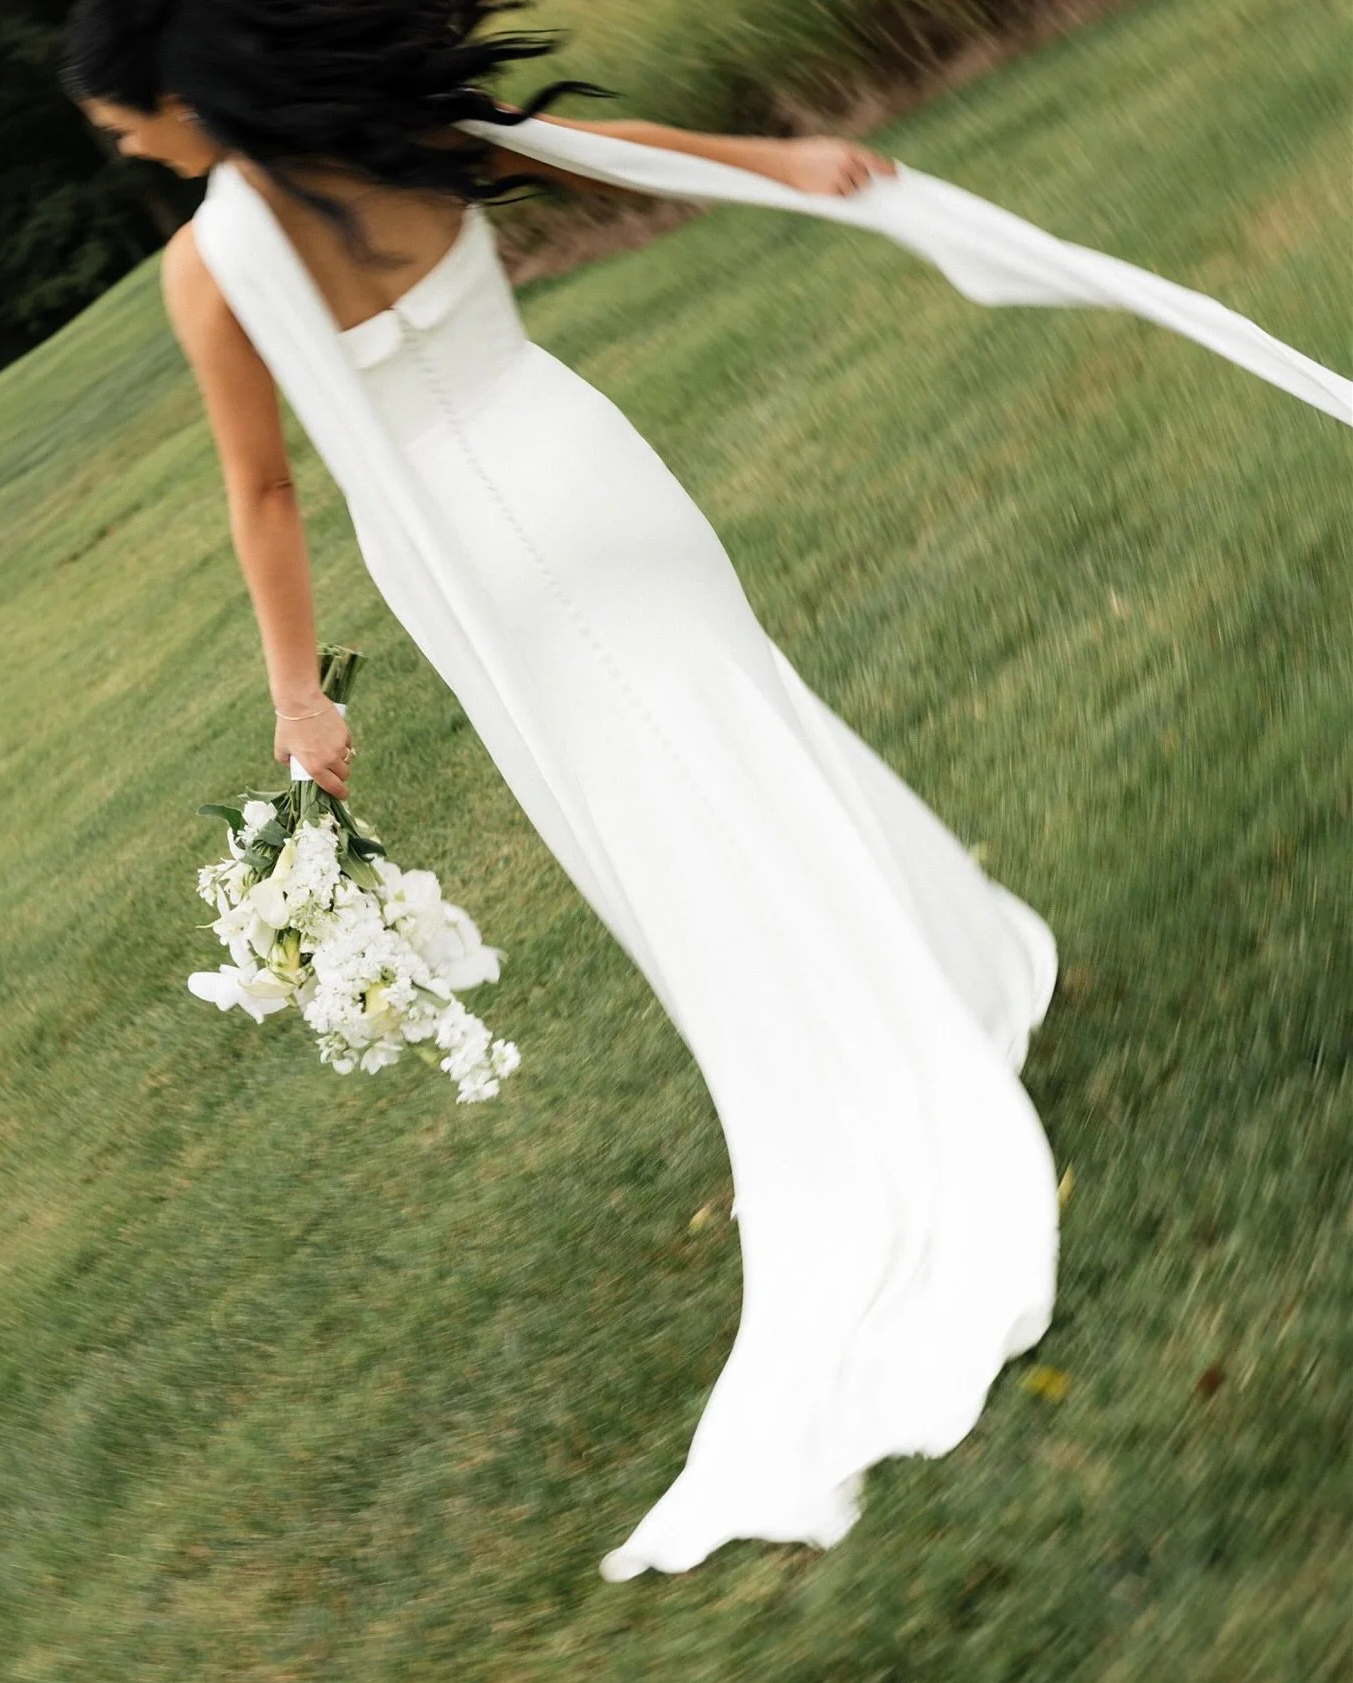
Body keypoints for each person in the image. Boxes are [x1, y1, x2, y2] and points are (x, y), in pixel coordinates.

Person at [62, 0, 1063, 1580]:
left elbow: (262, 490)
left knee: (678, 846)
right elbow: (621, 145)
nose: (127, 148)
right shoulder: (402, 127)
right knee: (756, 744)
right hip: (592, 466)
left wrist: (297, 693)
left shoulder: (213, 263)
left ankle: (864, 1096)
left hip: (493, 563)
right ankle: (930, 984)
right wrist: (786, 161)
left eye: (125, 125)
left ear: (174, 97)